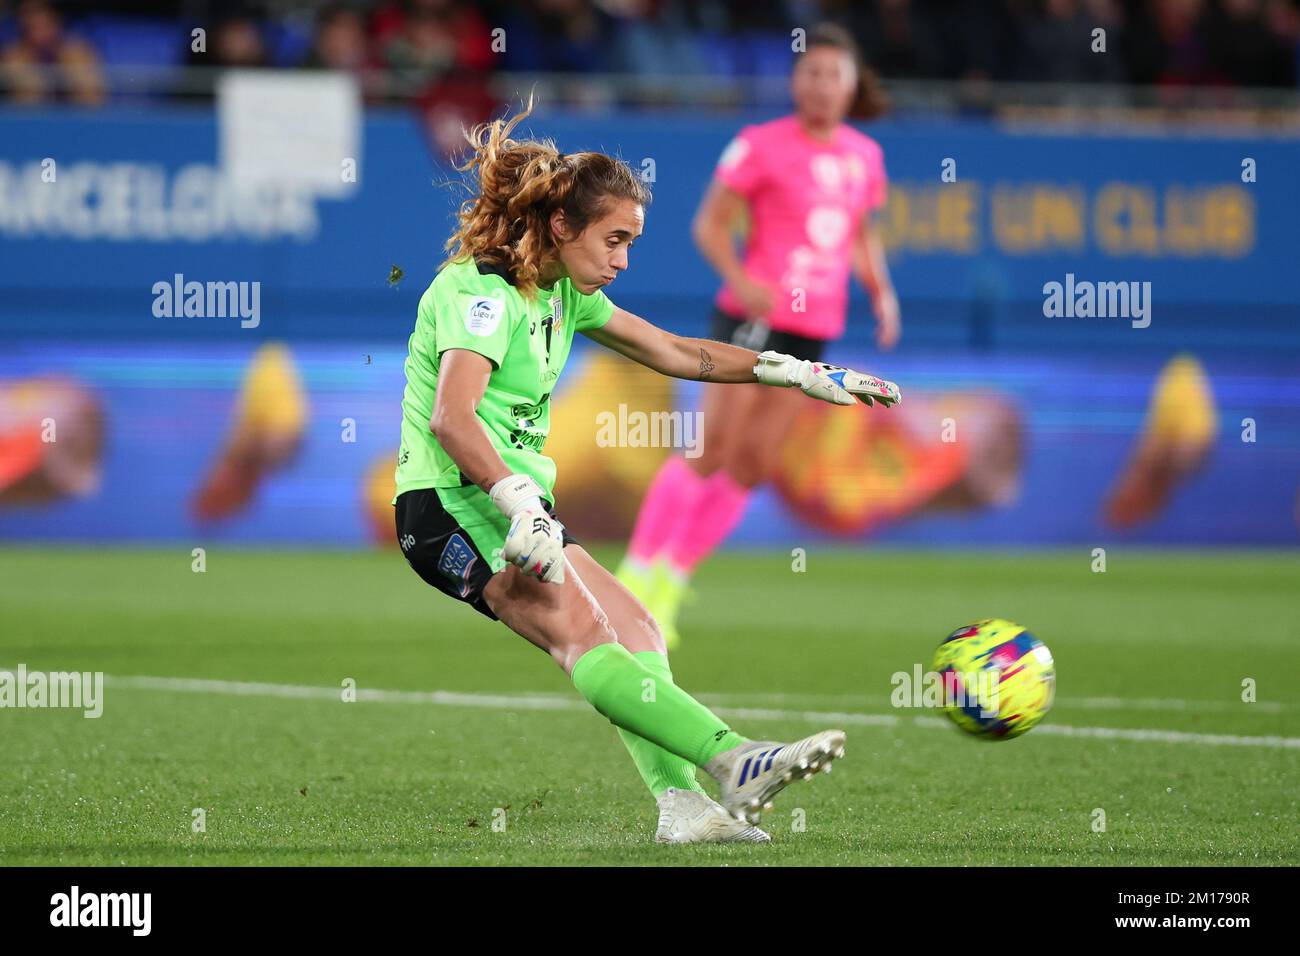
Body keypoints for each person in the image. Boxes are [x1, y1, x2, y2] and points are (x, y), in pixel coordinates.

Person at [392, 98, 900, 844]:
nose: (624, 259)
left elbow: (673, 350)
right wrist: (521, 504)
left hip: (513, 506)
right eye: (616, 239)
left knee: (636, 629)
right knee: (579, 637)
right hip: (452, 504)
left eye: (631, 241)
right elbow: (452, 420)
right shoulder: (484, 293)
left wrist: (792, 370)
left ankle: (681, 806)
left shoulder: (563, 291)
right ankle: (733, 759)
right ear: (562, 226)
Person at [616, 23, 899, 646]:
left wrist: (881, 292)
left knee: (752, 466)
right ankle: (635, 577)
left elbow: (859, 233)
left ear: (852, 87)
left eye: (835, 75)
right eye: (812, 73)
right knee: (713, 448)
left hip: (814, 326)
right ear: (796, 81)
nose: (822, 86)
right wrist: (741, 280)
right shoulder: (759, 145)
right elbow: (709, 225)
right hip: (754, 318)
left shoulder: (864, 157)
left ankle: (671, 581)